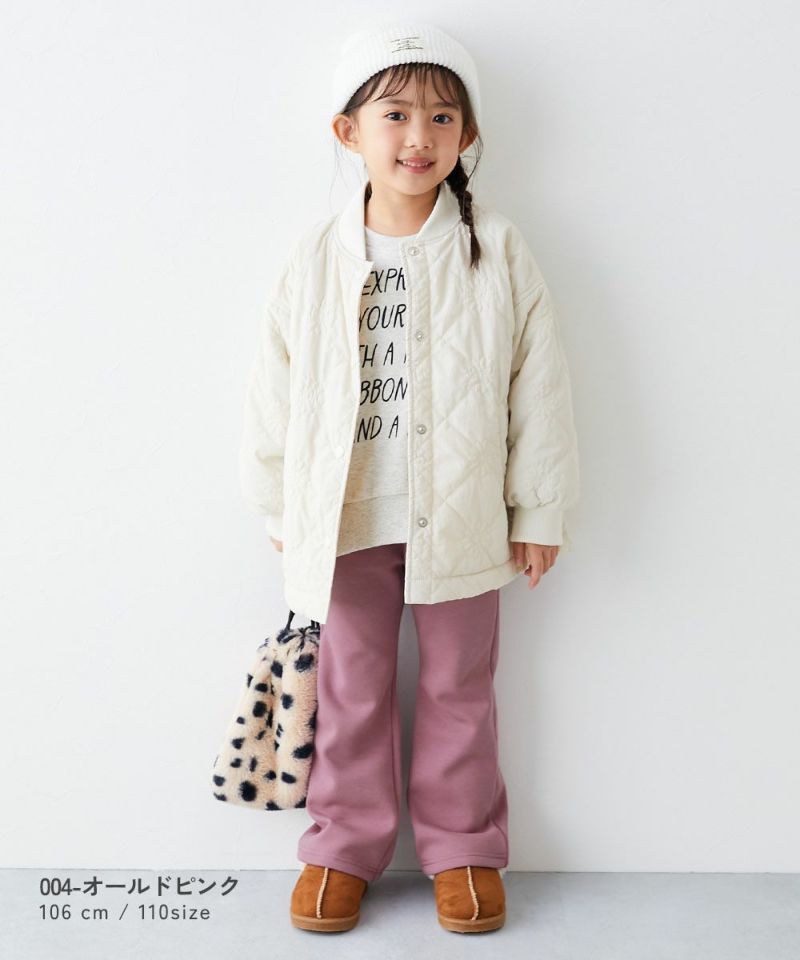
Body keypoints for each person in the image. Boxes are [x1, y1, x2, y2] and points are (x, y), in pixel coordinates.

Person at [239, 22, 580, 934]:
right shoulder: (316, 257)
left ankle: (464, 847)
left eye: (440, 116)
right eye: (394, 114)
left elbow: (538, 382)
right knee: (351, 686)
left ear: (467, 134)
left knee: (460, 686)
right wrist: (279, 503)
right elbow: (276, 388)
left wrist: (538, 507)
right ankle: (341, 846)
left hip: (463, 515)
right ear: (349, 132)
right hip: (345, 518)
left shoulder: (495, 248)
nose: (418, 136)